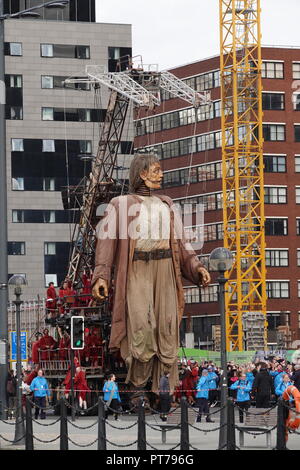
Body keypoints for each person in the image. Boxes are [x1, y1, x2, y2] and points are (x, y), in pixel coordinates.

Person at [92, 153, 211, 395]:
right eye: (156, 170)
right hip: (137, 268)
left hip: (166, 267)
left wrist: (196, 267)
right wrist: (101, 276)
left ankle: (162, 387)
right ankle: (138, 386)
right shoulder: (120, 204)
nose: (161, 174)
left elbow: (181, 242)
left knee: (167, 326)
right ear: (142, 174)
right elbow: (106, 241)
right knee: (141, 327)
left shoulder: (167, 204)